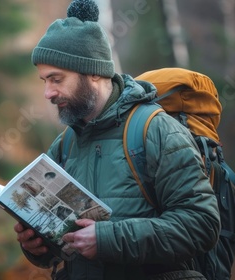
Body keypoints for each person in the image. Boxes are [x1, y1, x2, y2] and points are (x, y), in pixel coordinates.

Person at [13, 0, 220, 279]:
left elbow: (202, 225)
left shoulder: (156, 131)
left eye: (56, 79)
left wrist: (109, 239)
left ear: (94, 71)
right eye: (44, 81)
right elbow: (62, 246)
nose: (48, 93)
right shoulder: (65, 144)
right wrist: (37, 247)